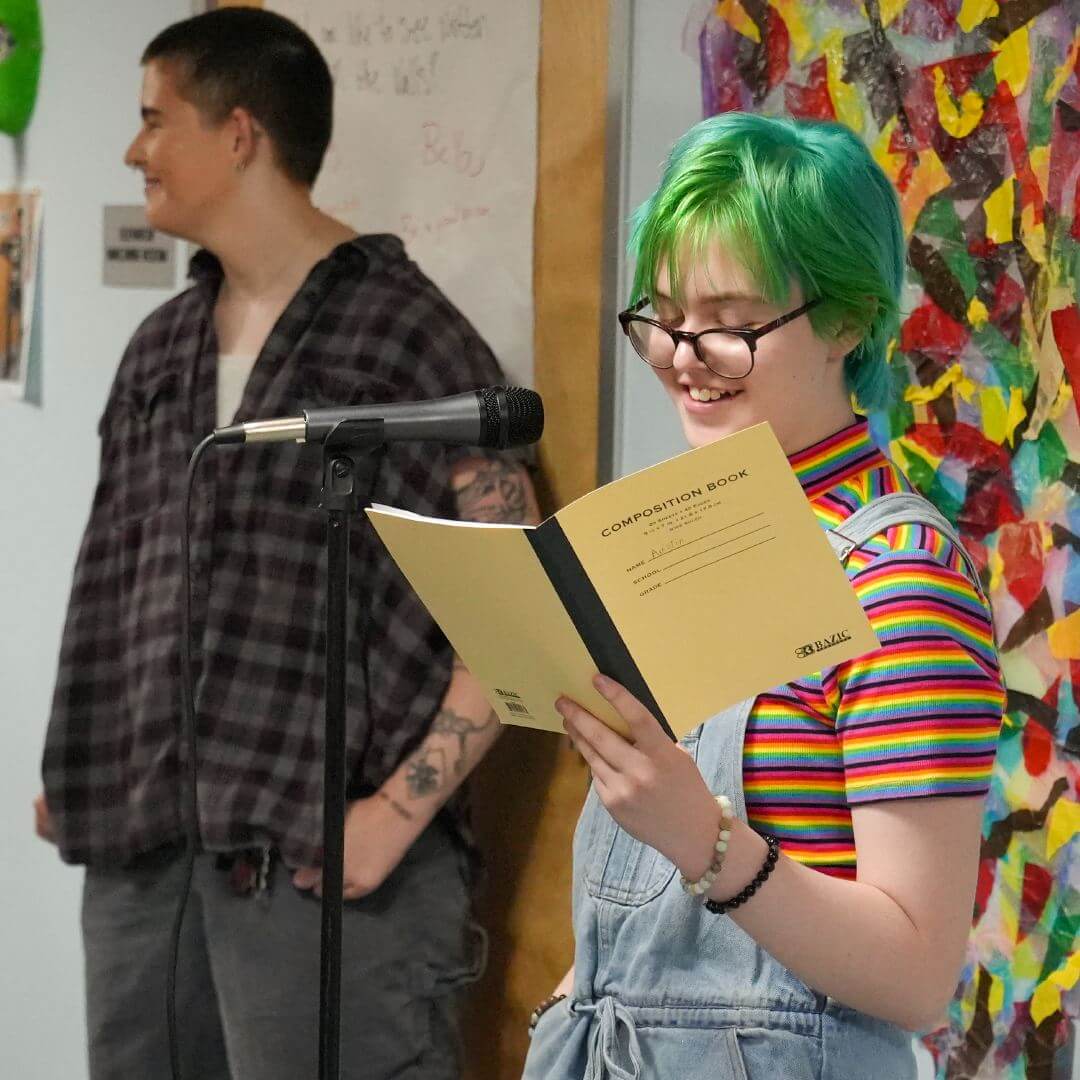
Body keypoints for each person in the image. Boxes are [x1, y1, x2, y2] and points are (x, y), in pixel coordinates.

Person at [35, 9, 537, 1080]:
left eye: (153, 119)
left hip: (330, 881)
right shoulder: (162, 346)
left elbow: (520, 603)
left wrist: (396, 817)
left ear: (239, 134)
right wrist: (87, 757)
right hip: (147, 866)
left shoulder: (405, 336)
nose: (133, 151)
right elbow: (116, 578)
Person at [522, 112, 1003, 1079]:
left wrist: (702, 837)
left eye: (733, 325)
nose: (685, 355)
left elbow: (914, 973)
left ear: (850, 321)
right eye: (663, 317)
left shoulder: (898, 574)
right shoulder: (688, 533)